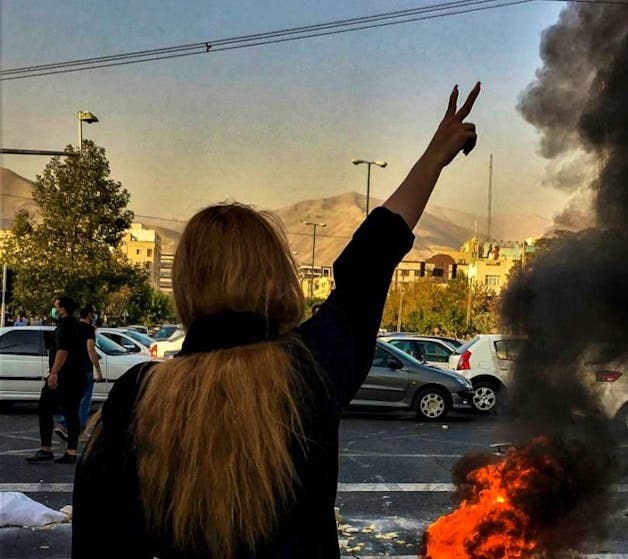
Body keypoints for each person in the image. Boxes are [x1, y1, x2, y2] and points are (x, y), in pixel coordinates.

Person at [73, 83, 481, 558]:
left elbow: (96, 542)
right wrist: (433, 158)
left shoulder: (135, 397)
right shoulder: (310, 369)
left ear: (186, 285)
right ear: (276, 274)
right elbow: (368, 263)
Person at [26, 296, 89, 464]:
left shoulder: (65, 326)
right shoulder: (78, 325)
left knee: (45, 406)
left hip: (65, 376)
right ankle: (71, 451)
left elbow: (63, 351)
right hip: (77, 376)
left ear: (62, 309)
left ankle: (46, 449)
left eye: (56, 306)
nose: (54, 309)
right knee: (71, 412)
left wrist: (53, 373)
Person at [55, 305, 104, 442]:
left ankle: (65, 424)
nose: (94, 316)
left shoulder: (74, 327)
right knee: (84, 401)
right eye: (93, 313)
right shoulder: (88, 329)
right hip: (85, 370)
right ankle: (76, 429)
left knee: (74, 399)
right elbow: (90, 349)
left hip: (72, 368)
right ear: (89, 315)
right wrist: (98, 369)